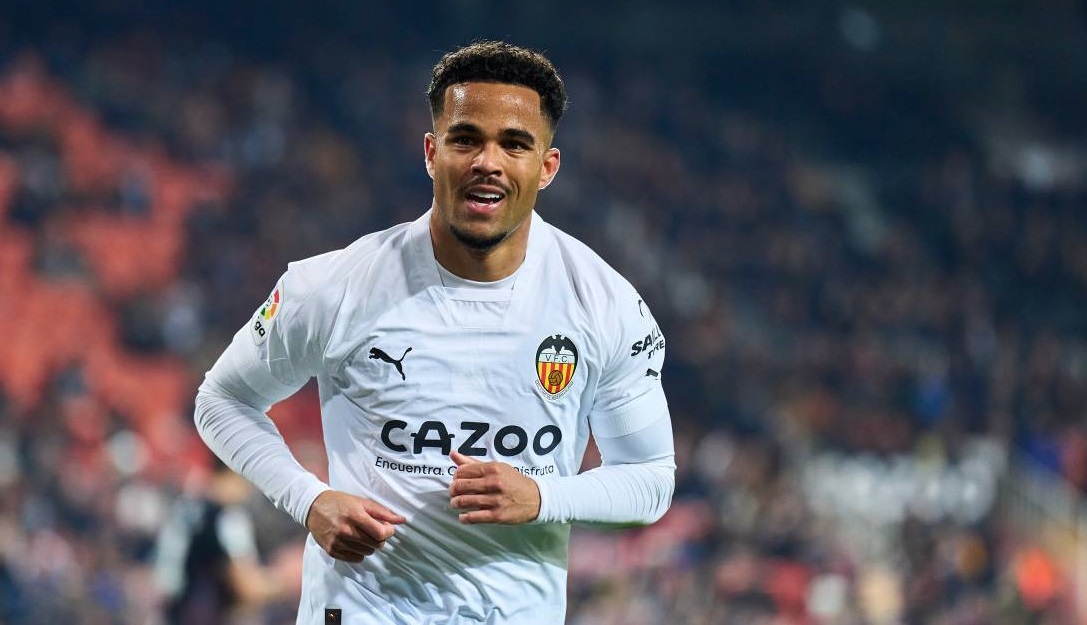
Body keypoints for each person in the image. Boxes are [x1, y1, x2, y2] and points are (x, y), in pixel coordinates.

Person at [194, 40, 675, 624]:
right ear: (431, 151)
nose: (487, 162)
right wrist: (309, 500)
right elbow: (221, 400)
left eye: (515, 144)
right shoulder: (334, 286)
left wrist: (544, 497)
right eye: (465, 138)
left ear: (547, 166)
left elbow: (649, 481)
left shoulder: (605, 304)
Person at [153, 459, 302, 624]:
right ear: (235, 473)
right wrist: (292, 579)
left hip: (171, 613)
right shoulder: (227, 518)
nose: (250, 488)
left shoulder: (185, 508)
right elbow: (249, 588)